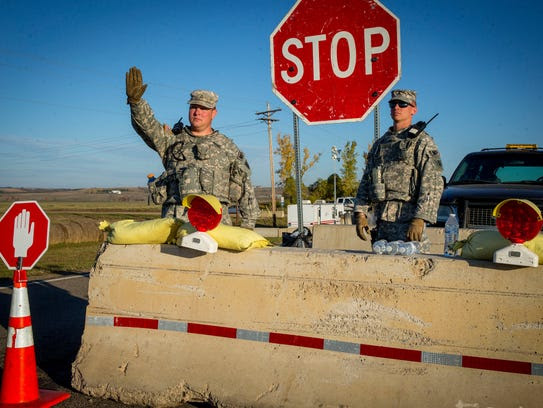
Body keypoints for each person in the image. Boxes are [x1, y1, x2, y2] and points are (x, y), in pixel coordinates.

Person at [125, 66, 260, 229]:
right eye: (193, 107)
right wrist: (136, 103)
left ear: (214, 113)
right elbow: (148, 127)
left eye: (203, 108)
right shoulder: (172, 142)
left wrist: (248, 228)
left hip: (217, 226)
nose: (197, 112)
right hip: (174, 225)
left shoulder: (227, 147)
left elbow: (246, 188)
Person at [353, 89, 443, 251]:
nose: (397, 107)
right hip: (382, 225)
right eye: (393, 103)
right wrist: (360, 213)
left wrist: (420, 218)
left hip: (409, 223)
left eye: (403, 104)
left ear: (413, 110)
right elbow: (367, 180)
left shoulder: (422, 142)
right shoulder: (380, 144)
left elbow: (433, 183)